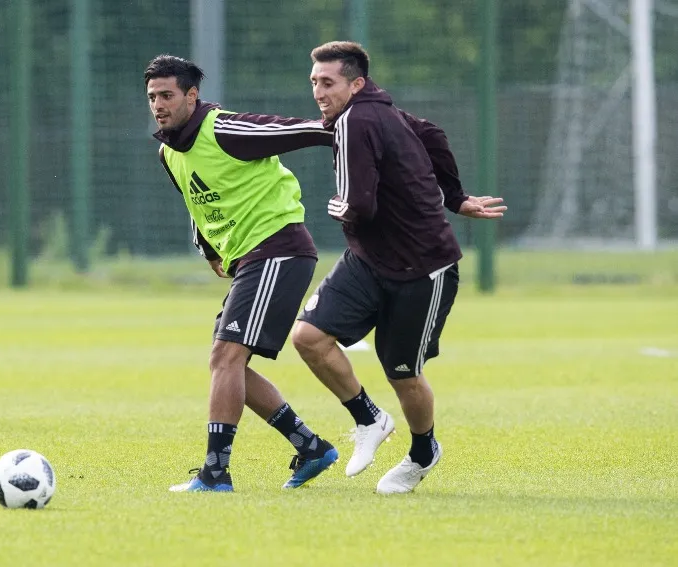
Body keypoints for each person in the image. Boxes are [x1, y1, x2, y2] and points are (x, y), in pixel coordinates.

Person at [291, 41, 507, 494]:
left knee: (402, 373)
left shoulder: (357, 119)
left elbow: (361, 206)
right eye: (314, 82)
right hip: (369, 260)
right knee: (309, 336)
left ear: (356, 83)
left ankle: (424, 450)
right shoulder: (378, 110)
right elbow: (430, 133)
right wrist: (456, 197)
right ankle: (370, 419)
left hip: (423, 269)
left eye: (327, 82)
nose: (318, 91)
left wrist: (340, 208)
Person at [144, 54, 339, 492]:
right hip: (252, 259)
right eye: (153, 96)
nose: (159, 104)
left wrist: (343, 129)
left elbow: (291, 129)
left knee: (225, 359)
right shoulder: (168, 151)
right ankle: (310, 447)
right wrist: (211, 248)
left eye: (168, 95)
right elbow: (197, 198)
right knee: (230, 366)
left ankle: (215, 474)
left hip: (279, 249)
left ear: (192, 96)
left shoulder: (224, 128)